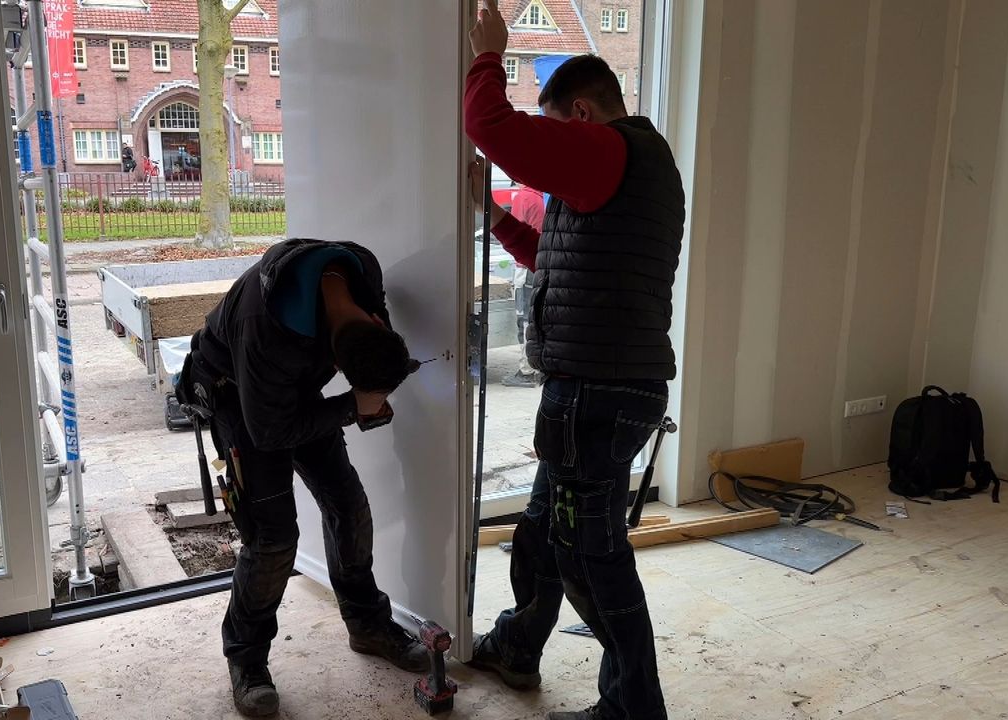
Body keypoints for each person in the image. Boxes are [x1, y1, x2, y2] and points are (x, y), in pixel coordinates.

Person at [463, 2, 685, 719]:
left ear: (583, 114)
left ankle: (631, 708)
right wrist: (495, 217)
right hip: (602, 387)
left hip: (597, 390)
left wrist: (488, 53)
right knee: (542, 533)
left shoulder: (611, 150)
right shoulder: (618, 167)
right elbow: (553, 264)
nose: (555, 146)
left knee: (592, 557)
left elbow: (488, 127)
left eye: (557, 126)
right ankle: (518, 648)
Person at [179, 239, 428, 718]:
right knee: (274, 538)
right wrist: (351, 407)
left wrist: (364, 393)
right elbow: (269, 431)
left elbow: (367, 353)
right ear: (329, 355)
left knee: (348, 505)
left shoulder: (361, 273)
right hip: (237, 394)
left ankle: (367, 624)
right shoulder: (264, 325)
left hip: (293, 386)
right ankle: (247, 660)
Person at [501, 181, 545, 388]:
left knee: (524, 320)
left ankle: (526, 371)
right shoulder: (538, 196)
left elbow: (514, 229)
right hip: (537, 265)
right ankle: (535, 367)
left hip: (525, 267)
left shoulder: (523, 197)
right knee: (533, 317)